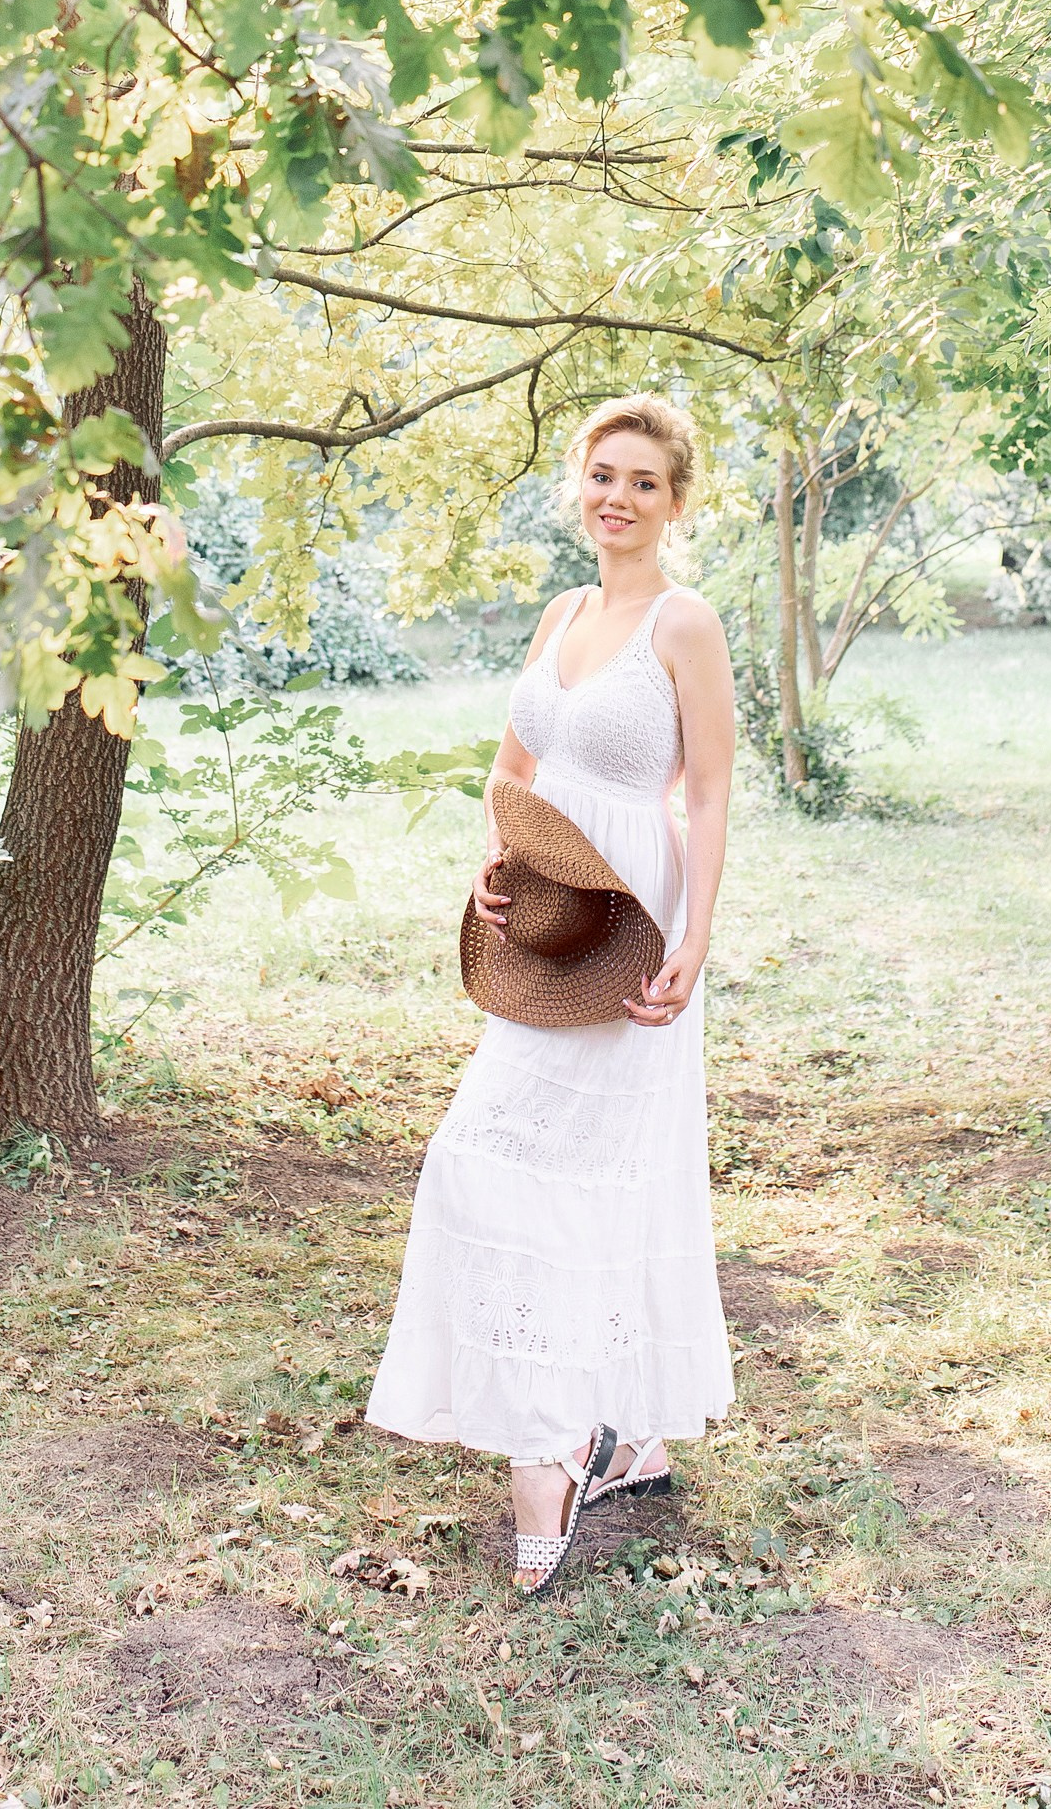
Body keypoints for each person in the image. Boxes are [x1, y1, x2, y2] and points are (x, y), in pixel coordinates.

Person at [365, 392, 736, 1593]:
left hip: (634, 932)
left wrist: (696, 938)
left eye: (641, 480)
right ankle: (607, 1435)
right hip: (550, 925)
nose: (616, 497)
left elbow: (710, 798)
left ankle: (556, 1452)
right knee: (476, 1153)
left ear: (674, 501)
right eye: (600, 475)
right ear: (576, 487)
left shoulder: (684, 625)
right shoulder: (561, 611)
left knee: (599, 1177)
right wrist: (496, 865)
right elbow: (512, 766)